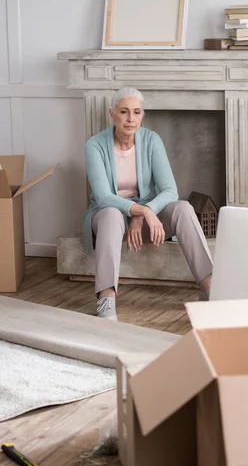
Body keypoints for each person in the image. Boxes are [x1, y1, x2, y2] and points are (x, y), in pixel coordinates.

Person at [83, 86, 213, 321]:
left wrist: (143, 214)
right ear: (111, 114)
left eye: (137, 112)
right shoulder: (95, 145)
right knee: (112, 214)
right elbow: (102, 196)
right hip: (108, 216)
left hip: (145, 216)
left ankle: (209, 288)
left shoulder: (152, 140)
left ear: (142, 114)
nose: (131, 119)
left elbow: (170, 190)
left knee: (183, 207)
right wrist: (140, 210)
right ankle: (106, 297)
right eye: (124, 112)